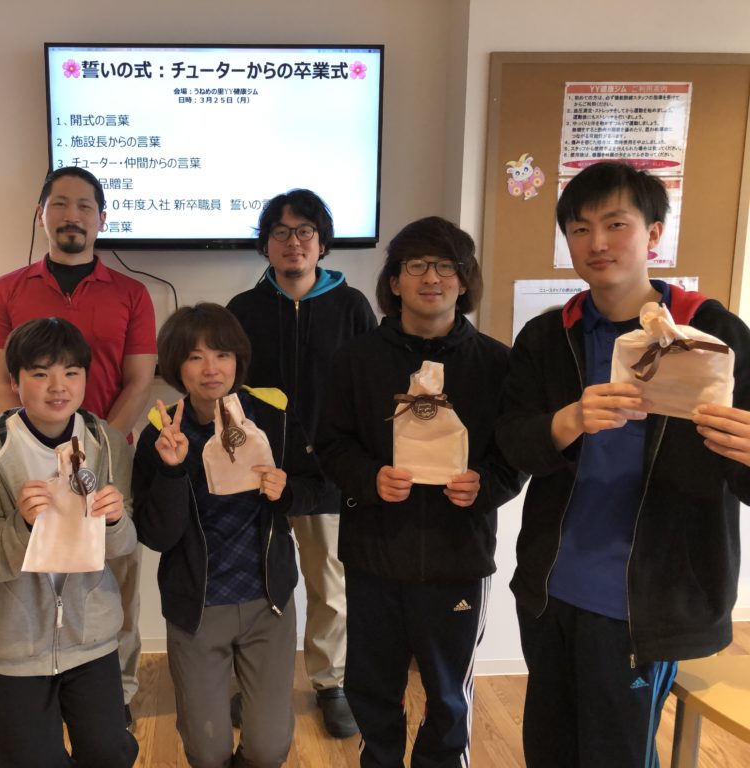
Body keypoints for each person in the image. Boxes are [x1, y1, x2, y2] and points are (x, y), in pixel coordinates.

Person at [497, 160, 750, 767]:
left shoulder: (713, 333)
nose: (598, 243)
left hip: (647, 599)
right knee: (548, 750)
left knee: (617, 754)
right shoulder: (547, 336)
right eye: (580, 229)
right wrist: (569, 420)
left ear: (654, 233)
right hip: (551, 587)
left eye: (616, 224)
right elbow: (512, 443)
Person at [316, 217, 524, 768]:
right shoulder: (356, 360)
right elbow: (330, 445)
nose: (432, 278)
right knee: (372, 688)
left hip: (458, 557)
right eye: (416, 266)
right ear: (394, 281)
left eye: (446, 266)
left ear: (465, 280)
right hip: (375, 556)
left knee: (449, 697)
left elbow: (514, 455)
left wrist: (486, 485)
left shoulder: (497, 363)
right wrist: (370, 478)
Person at [0, 165, 156, 721]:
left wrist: (101, 446)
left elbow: (139, 382)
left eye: (84, 206)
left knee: (114, 575)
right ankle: (42, 686)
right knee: (32, 572)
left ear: (102, 217)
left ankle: (115, 691)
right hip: (25, 460)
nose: (72, 215)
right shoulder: (7, 289)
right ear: (42, 215)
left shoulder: (132, 293)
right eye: (59, 204)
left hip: (108, 458)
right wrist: (33, 446)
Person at [132, 303, 325, 768]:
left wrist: (287, 492)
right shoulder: (161, 433)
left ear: (239, 359)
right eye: (195, 357)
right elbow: (156, 535)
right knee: (207, 749)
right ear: (176, 365)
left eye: (222, 354)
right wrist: (173, 470)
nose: (211, 368)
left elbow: (320, 486)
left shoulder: (272, 416)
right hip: (198, 605)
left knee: (268, 748)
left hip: (267, 601)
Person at [0, 317, 139, 767]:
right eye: (40, 373)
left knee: (108, 752)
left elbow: (123, 546)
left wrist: (115, 520)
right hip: (10, 646)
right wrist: (23, 525)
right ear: (14, 382)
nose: (58, 386)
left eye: (71, 372)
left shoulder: (106, 443)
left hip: (90, 637)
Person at [226, 188, 376, 738]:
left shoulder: (352, 306)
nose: (294, 242)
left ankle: (331, 681)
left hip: (327, 473)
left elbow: (370, 389)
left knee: (329, 586)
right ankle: (252, 681)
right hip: (255, 472)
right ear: (266, 244)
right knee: (254, 584)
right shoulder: (243, 309)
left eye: (305, 231)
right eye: (282, 232)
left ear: (322, 243)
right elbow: (227, 390)